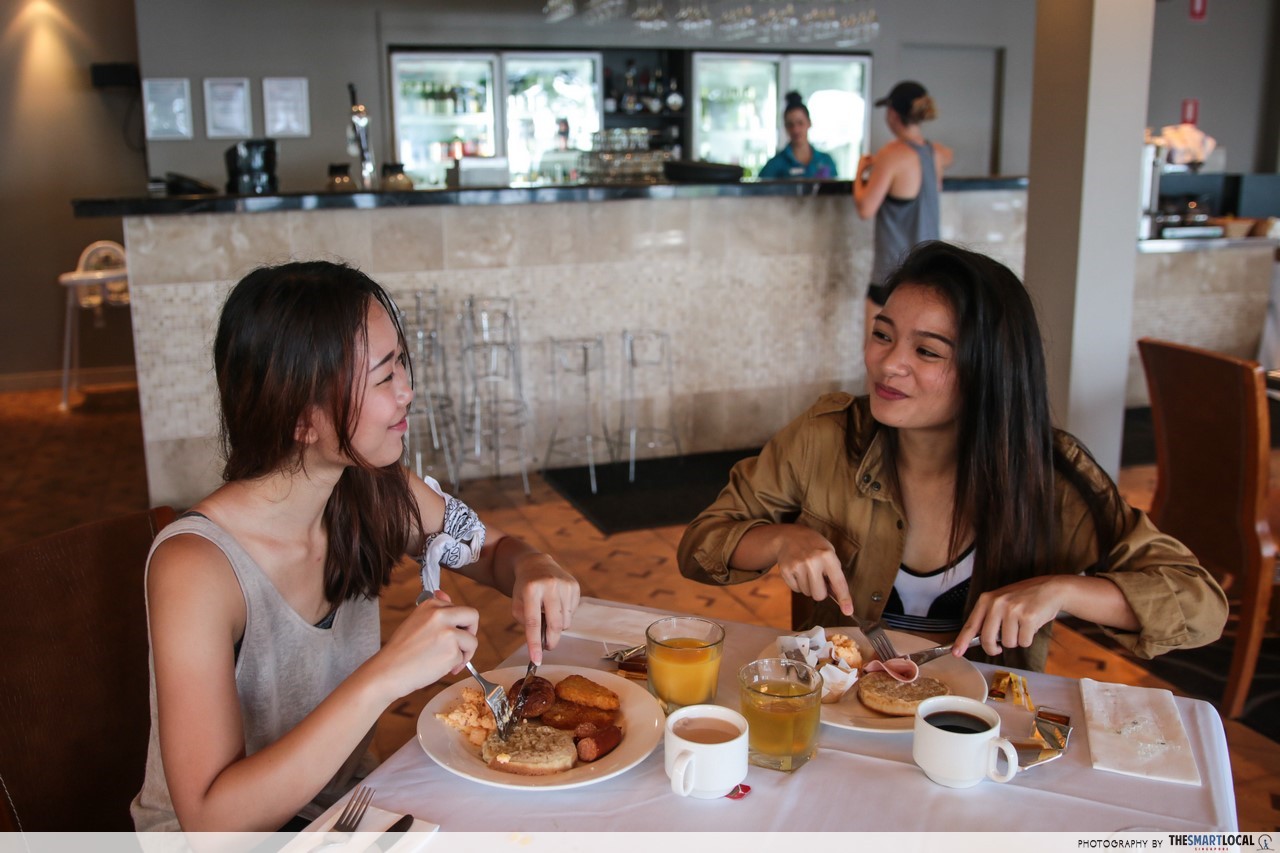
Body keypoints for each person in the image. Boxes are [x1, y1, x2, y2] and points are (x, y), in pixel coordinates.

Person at [131, 261, 580, 832]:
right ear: (300, 419)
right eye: (383, 378)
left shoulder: (371, 488)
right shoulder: (197, 567)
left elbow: (487, 550)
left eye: (402, 364)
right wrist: (387, 674)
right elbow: (212, 825)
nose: (408, 392)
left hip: (346, 815)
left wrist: (533, 564)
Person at [677, 242, 1227, 672]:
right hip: (835, 717)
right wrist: (780, 540)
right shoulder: (826, 438)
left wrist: (1063, 591)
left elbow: (1200, 604)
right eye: (883, 335)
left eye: (926, 351)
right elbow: (701, 545)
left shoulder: (1048, 475)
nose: (888, 364)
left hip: (977, 731)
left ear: (988, 369)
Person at [853, 81, 954, 339]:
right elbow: (948, 156)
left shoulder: (891, 155)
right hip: (930, 271)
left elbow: (865, 208)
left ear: (892, 114)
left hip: (892, 274)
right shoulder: (935, 154)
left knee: (876, 354)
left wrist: (860, 171)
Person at [758, 91, 837, 180]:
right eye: (790, 125)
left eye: (800, 123)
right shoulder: (775, 165)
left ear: (809, 123)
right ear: (785, 127)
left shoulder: (826, 161)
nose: (796, 130)